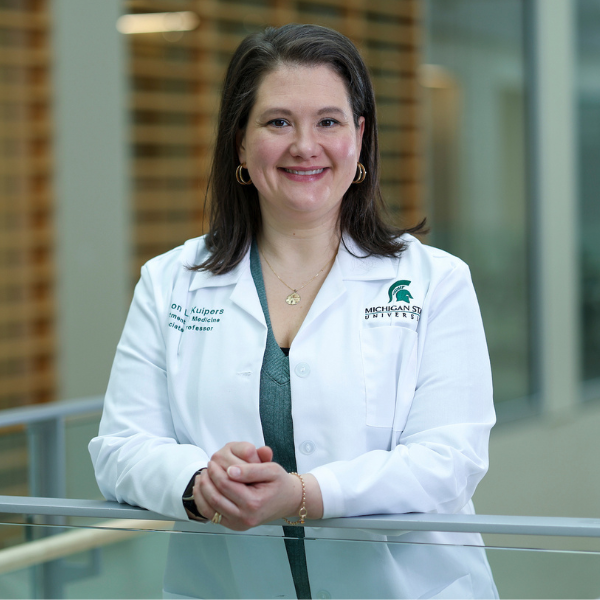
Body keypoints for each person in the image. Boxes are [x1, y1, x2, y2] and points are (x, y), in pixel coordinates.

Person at [89, 24, 498, 599]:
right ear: (239, 141)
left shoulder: (435, 282)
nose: (305, 146)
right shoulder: (169, 282)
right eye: (278, 121)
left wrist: (302, 495)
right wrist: (201, 483)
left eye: (328, 121)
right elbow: (121, 447)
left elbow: (448, 461)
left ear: (358, 137)